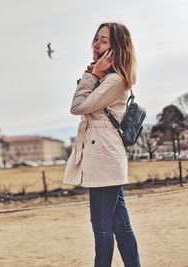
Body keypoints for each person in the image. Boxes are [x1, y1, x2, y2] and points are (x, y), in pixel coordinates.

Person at [63, 22, 141, 267]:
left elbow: (77, 106)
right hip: (102, 153)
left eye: (103, 41)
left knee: (102, 227)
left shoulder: (115, 80)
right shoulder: (106, 77)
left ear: (116, 48)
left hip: (104, 156)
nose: (96, 44)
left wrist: (92, 75)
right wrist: (95, 74)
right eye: (96, 38)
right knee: (119, 224)